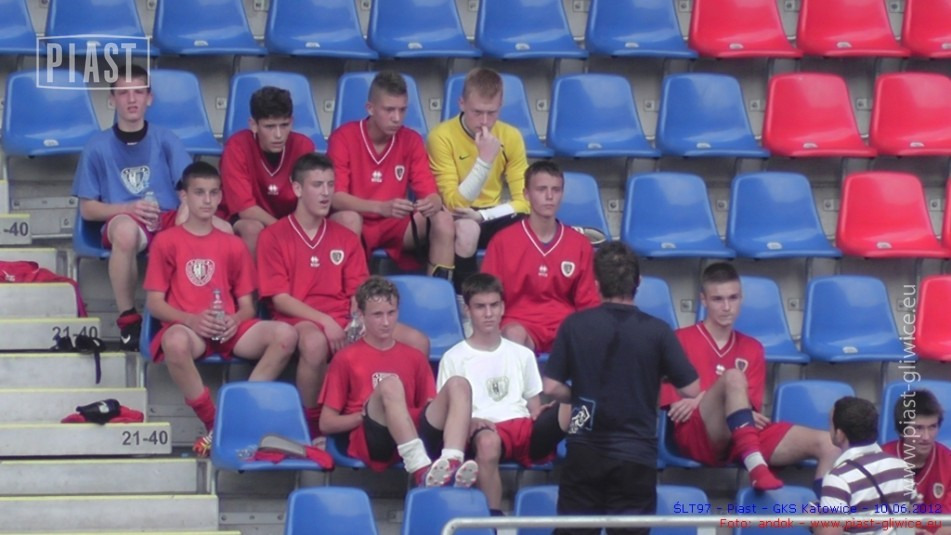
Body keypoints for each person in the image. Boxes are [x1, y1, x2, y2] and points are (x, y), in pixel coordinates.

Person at [257, 153, 430, 438]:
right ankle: (313, 430)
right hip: (299, 318)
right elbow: (280, 298)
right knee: (314, 343)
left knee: (418, 341)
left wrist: (357, 319)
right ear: (297, 189)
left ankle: (411, 420)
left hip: (344, 318)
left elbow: (358, 291)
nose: (326, 193)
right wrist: (325, 321)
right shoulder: (273, 236)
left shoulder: (345, 236)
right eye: (317, 185)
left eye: (330, 185)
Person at [543, 241, 700, 535]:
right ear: (638, 282)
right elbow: (692, 389)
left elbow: (551, 386)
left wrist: (578, 395)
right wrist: (657, 375)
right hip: (636, 454)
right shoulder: (658, 331)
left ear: (596, 284)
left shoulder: (574, 325)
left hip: (584, 449)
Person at [144, 162, 298, 455]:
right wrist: (191, 320)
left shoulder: (233, 244)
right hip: (191, 329)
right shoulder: (166, 241)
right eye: (199, 192)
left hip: (229, 327)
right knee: (173, 342)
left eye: (214, 193)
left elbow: (248, 306)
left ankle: (239, 413)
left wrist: (235, 319)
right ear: (184, 196)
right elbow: (154, 303)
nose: (207, 200)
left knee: (286, 335)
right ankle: (214, 421)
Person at [660, 262, 840, 491]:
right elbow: (677, 409)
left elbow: (749, 415)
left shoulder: (752, 347)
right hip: (697, 436)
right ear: (703, 300)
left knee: (830, 444)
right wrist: (720, 401)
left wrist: (699, 398)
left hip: (742, 438)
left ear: (741, 298)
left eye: (733, 298)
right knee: (734, 378)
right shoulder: (678, 340)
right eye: (717, 299)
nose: (727, 307)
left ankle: (826, 512)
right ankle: (757, 468)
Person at [73, 64, 190, 351]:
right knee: (125, 232)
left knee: (213, 229)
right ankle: (129, 322)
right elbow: (88, 209)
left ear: (149, 98)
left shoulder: (166, 139)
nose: (132, 99)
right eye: (124, 93)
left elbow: (190, 188)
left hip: (166, 217)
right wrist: (127, 209)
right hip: (125, 219)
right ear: (112, 99)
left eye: (138, 92)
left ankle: (189, 313)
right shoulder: (97, 146)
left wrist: (183, 220)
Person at [318, 276, 478, 487]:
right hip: (375, 437)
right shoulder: (345, 358)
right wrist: (361, 417)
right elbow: (326, 423)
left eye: (391, 313)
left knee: (459, 384)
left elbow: (427, 406)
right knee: (390, 384)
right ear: (362, 315)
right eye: (377, 315)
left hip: (413, 431)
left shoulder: (414, 356)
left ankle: (452, 462)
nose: (386, 322)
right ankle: (419, 468)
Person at [437, 273, 569, 515]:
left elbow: (533, 407)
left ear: (503, 307)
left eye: (494, 305)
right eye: (480, 307)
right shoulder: (453, 357)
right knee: (487, 443)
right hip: (482, 430)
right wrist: (471, 421)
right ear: (467, 310)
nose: (489, 313)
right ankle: (493, 522)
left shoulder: (523, 354)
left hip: (523, 429)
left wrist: (541, 413)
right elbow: (449, 416)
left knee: (573, 405)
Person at [327, 71, 455, 280]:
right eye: (389, 110)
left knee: (443, 219)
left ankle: (438, 291)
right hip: (358, 221)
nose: (397, 118)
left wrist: (432, 203)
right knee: (348, 218)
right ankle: (354, 293)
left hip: (397, 224)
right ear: (370, 108)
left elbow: (430, 193)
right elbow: (335, 197)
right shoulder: (343, 137)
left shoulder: (411, 139)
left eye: (402, 110)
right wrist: (380, 207)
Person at [426, 67, 530, 295]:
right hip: (459, 214)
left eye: (491, 113)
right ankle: (466, 302)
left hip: (491, 213)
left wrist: (484, 215)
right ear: (462, 104)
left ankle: (519, 299)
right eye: (477, 112)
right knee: (467, 229)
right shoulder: (441, 136)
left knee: (530, 225)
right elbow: (453, 202)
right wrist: (484, 161)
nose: (484, 121)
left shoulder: (511, 136)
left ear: (500, 106)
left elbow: (526, 201)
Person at [480, 161, 600, 354]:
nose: (549, 196)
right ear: (526, 194)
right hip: (520, 323)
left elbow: (588, 302)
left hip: (565, 326)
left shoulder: (579, 244)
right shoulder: (502, 241)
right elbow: (487, 294)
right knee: (513, 335)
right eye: (541, 189)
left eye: (556, 190)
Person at [220, 86, 316, 255]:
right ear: (253, 125)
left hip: (290, 219)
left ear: (292, 122)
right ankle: (253, 274)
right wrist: (283, 229)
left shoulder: (304, 146)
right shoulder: (237, 147)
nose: (278, 134)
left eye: (284, 125)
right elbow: (245, 209)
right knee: (251, 228)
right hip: (249, 218)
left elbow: (310, 200)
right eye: (269, 126)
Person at [815, 396, 911, 535]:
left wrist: (813, 520)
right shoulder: (902, 467)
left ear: (840, 434)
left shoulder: (838, 478)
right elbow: (910, 522)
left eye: (830, 425)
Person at [882, 389, 951, 535]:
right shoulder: (881, 459)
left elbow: (948, 520)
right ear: (902, 430)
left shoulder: (948, 461)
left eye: (932, 427)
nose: (926, 437)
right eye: (918, 428)